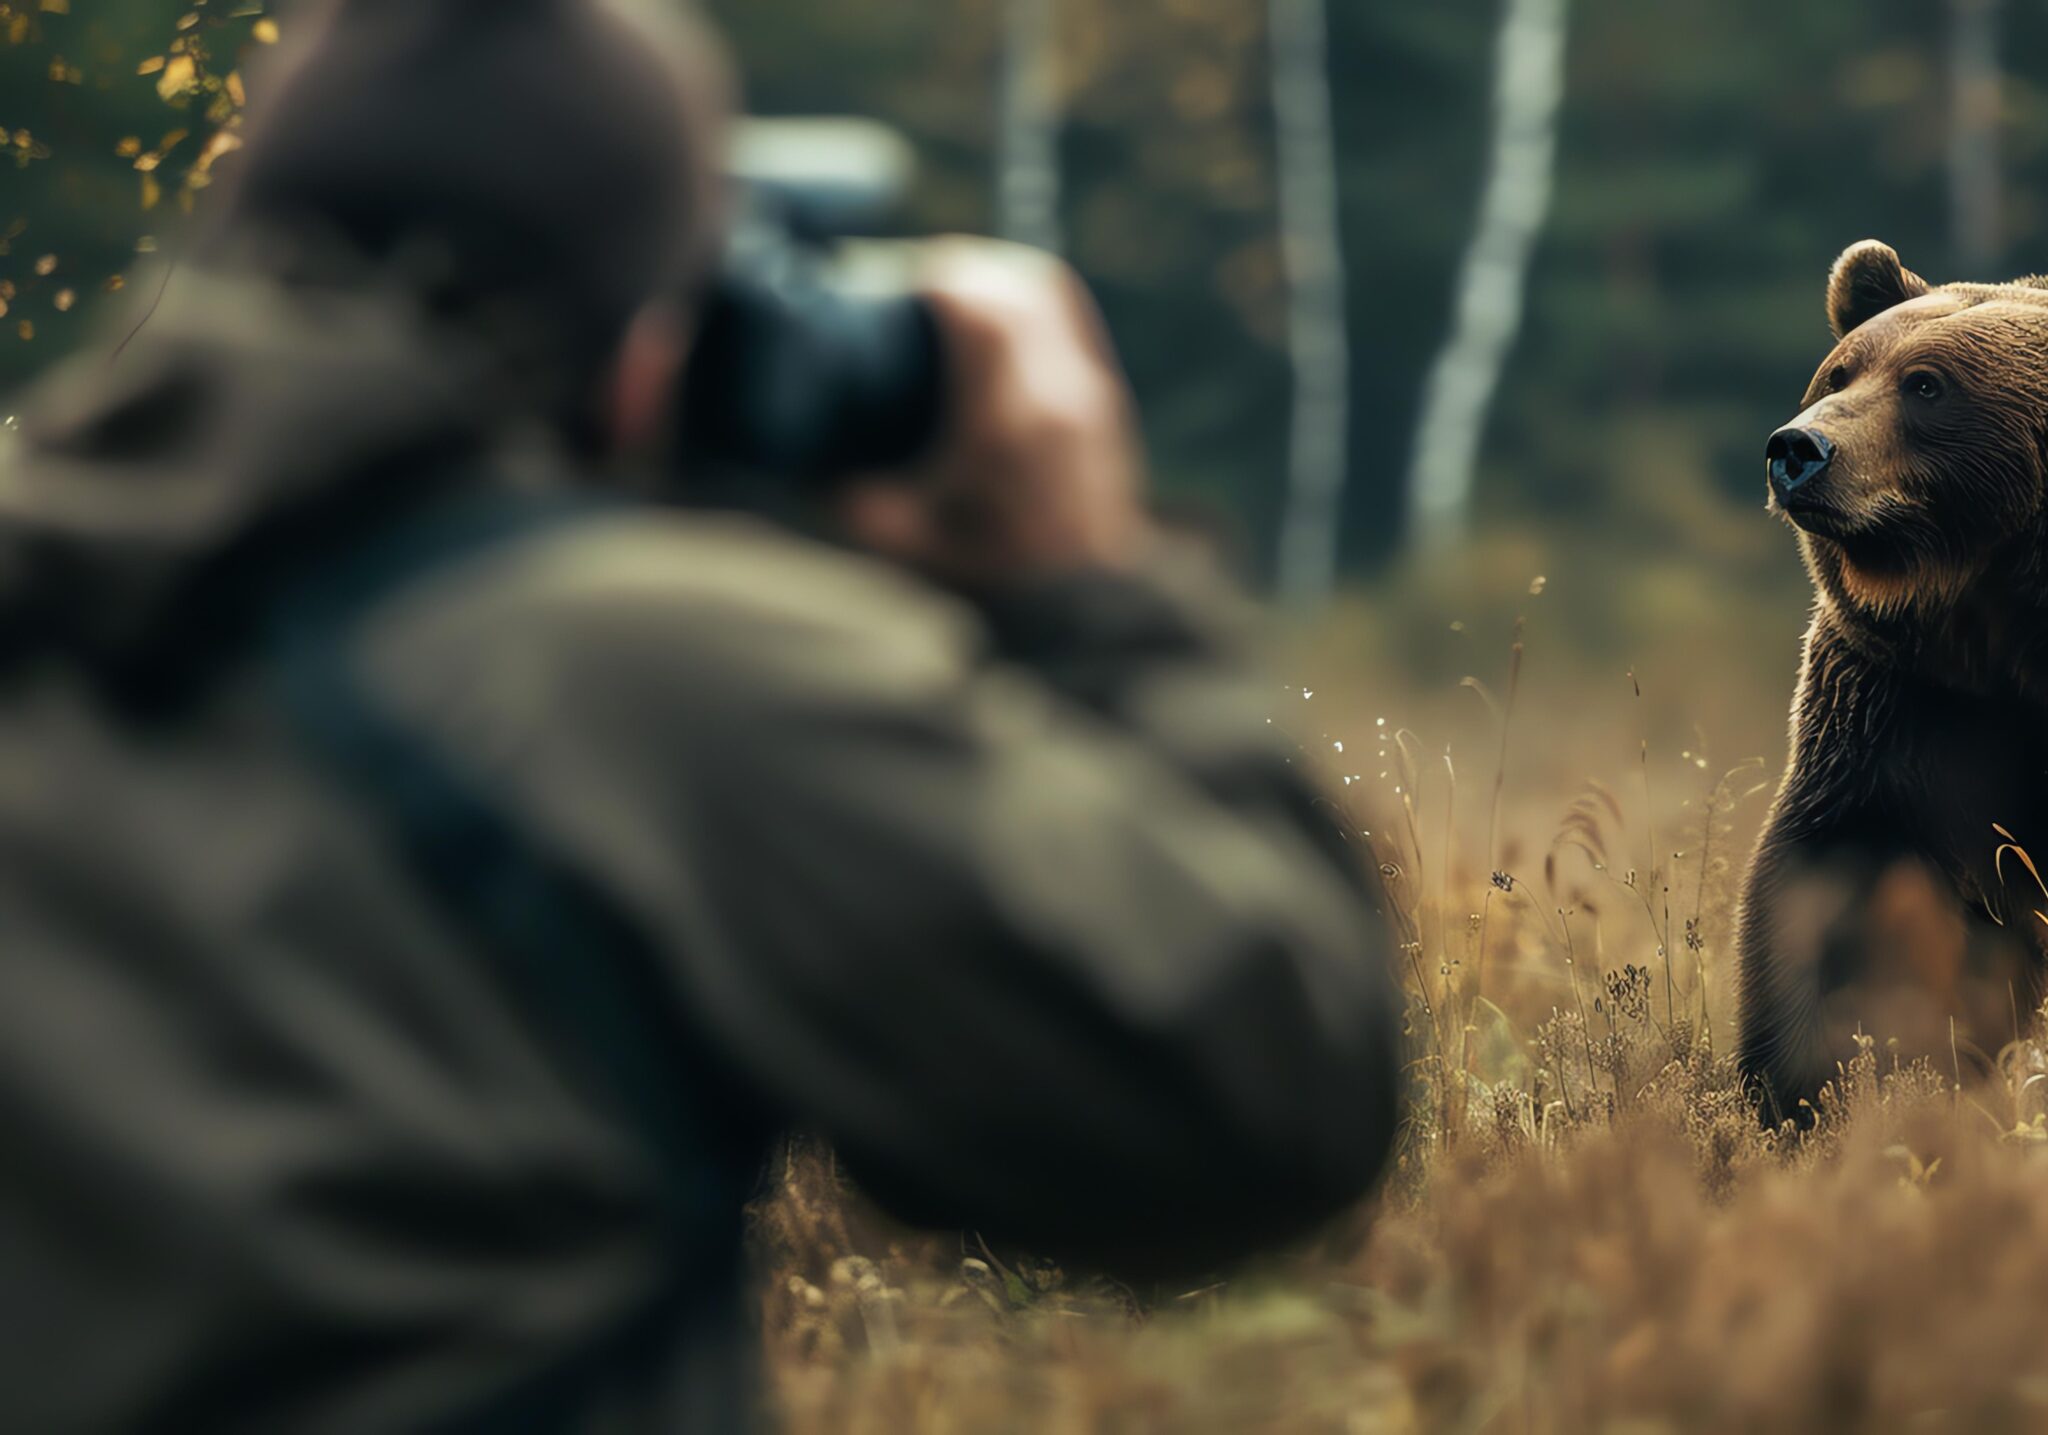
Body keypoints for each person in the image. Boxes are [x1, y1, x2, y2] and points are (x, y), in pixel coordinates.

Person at [0, 1, 1403, 1429]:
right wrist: (1083, 587)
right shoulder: (629, 674)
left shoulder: (50, 593)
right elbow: (1267, 1093)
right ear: (648, 359)